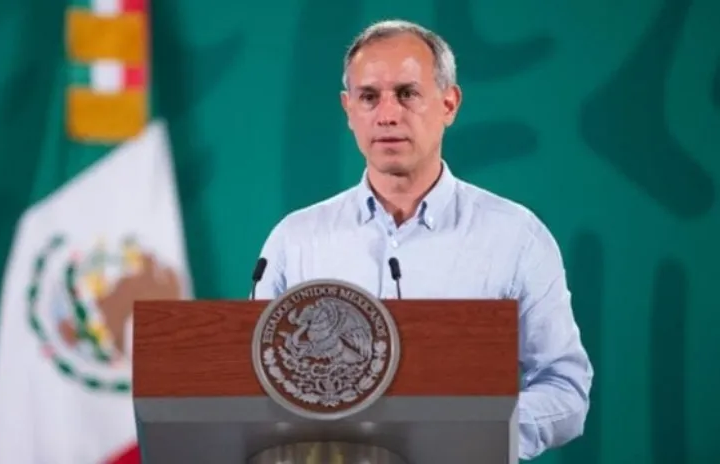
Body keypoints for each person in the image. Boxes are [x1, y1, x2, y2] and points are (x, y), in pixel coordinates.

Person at [253, 19, 593, 460]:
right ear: (348, 109)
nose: (388, 114)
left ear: (449, 103)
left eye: (408, 94)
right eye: (369, 97)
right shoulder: (294, 241)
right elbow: (256, 389)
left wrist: (475, 434)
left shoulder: (516, 237)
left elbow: (565, 390)